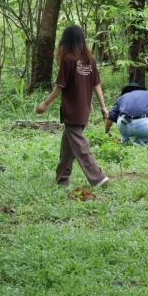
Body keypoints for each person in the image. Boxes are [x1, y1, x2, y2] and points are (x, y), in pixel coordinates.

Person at [36, 25, 110, 187]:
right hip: (84, 110)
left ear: (66, 41)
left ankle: (98, 177)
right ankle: (62, 178)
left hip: (71, 110)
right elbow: (96, 85)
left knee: (80, 146)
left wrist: (45, 103)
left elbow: (59, 87)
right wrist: (103, 107)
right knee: (68, 146)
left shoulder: (68, 59)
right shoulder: (89, 60)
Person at [105, 81, 148, 145]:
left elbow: (111, 117)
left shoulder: (122, 97)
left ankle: (125, 140)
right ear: (140, 89)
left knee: (121, 118)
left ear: (126, 91)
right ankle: (138, 142)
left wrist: (106, 132)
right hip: (141, 125)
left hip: (123, 125)